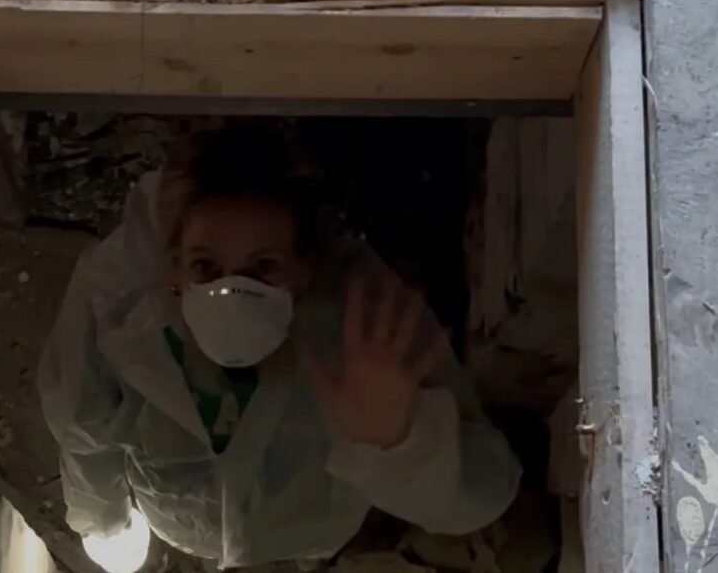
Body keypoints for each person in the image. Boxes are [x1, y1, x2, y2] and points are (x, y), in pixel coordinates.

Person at [38, 123, 521, 571]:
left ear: (305, 267)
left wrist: (401, 443)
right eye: (205, 267)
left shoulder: (367, 319)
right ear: (173, 266)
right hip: (186, 523)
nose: (231, 298)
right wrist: (104, 521)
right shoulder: (114, 300)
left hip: (309, 528)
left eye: (263, 267)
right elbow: (79, 421)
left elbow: (483, 494)